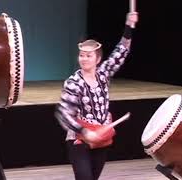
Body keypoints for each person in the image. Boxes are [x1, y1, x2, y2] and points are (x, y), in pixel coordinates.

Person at [54, 11, 138, 180]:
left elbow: (120, 52)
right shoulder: (74, 82)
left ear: (97, 59)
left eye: (88, 56)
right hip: (80, 140)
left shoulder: (103, 75)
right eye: (81, 55)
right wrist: (85, 132)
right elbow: (64, 113)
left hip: (101, 137)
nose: (84, 59)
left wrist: (129, 27)